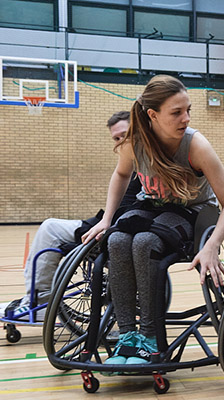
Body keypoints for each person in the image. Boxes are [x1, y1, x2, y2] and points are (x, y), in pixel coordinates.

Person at [82, 75, 224, 366]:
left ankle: (151, 337)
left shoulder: (196, 145)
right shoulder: (136, 143)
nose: (186, 118)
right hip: (154, 207)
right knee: (116, 239)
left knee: (144, 242)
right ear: (153, 115)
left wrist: (212, 245)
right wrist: (106, 219)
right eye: (177, 112)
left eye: (188, 110)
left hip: (194, 213)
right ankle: (128, 338)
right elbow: (121, 175)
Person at [1, 111, 141, 320]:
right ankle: (37, 299)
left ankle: (39, 302)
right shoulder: (130, 163)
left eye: (125, 135)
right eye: (116, 138)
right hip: (107, 222)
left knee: (50, 228)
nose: (120, 141)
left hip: (117, 230)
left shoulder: (143, 164)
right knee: (50, 226)